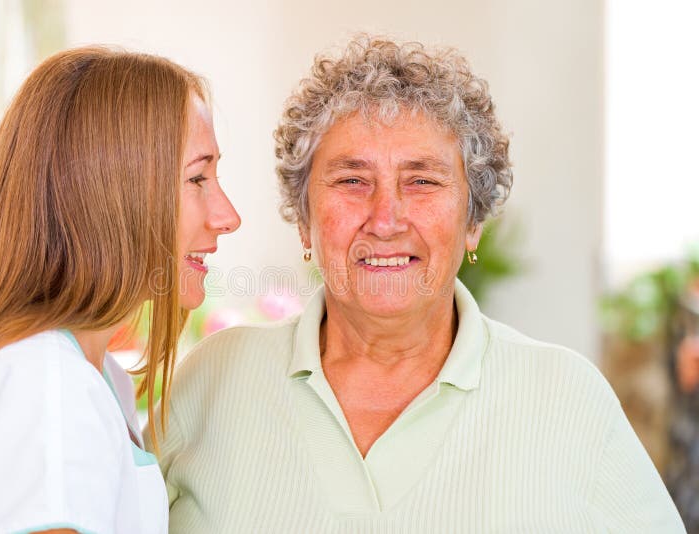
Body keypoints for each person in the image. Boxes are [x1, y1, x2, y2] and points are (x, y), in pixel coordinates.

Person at [148, 36, 685, 532]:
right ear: (304, 219)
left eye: (422, 181)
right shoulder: (208, 380)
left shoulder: (567, 398)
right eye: (352, 180)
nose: (386, 219)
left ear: (473, 221)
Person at [0, 47, 239, 534]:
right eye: (197, 178)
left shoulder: (89, 375)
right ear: (108, 192)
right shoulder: (44, 384)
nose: (227, 216)